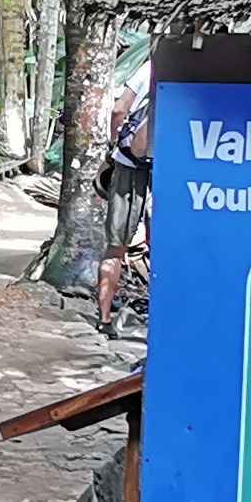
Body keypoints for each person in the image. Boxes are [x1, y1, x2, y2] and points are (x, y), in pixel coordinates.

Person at [92, 82, 153, 336]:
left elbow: (120, 109)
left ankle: (105, 318)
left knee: (115, 248)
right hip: (173, 164)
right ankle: (161, 318)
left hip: (130, 164)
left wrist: (113, 143)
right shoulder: (194, 65)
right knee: (162, 247)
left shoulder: (150, 65)